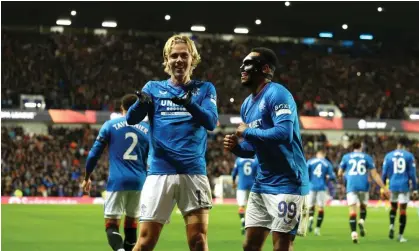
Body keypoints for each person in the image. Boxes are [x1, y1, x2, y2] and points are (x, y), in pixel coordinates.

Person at [126, 34, 218, 251]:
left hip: (193, 173)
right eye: (174, 55)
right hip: (160, 173)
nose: (178, 60)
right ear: (166, 60)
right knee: (146, 241)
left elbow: (211, 122)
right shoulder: (153, 88)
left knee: (198, 241)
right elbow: (131, 119)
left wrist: (190, 104)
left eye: (183, 55)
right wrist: (141, 104)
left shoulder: (205, 89)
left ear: (192, 58)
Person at [224, 47, 309, 251]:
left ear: (265, 69)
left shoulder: (278, 94)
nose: (242, 68)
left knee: (281, 246)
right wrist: (237, 148)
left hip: (289, 181)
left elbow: (284, 134)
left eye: (248, 63)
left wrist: (247, 132)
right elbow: (252, 149)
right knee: (250, 245)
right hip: (262, 183)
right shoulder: (246, 105)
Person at [82, 94, 150, 251]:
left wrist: (87, 177)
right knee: (132, 225)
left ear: (122, 108)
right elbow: (153, 158)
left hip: (117, 181)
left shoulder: (110, 125)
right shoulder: (147, 129)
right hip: (140, 182)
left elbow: (94, 153)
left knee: (111, 225)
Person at [338, 141, 389, 244]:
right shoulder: (367, 157)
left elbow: (339, 173)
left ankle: (354, 234)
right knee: (363, 207)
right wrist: (384, 187)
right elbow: (374, 175)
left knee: (352, 211)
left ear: (352, 147)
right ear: (361, 146)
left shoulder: (346, 157)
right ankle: (361, 221)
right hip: (363, 185)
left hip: (351, 185)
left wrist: (345, 177)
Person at [382, 137, 418, 242]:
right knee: (403, 210)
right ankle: (400, 236)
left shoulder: (388, 156)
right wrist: (415, 189)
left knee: (393, 208)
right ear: (404, 146)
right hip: (404, 186)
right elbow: (412, 174)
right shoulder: (409, 156)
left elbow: (384, 173)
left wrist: (383, 188)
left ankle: (391, 225)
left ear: (397, 145)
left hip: (392, 185)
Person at [306, 149, 336, 236]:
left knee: (311, 206)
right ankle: (317, 229)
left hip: (311, 187)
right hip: (321, 187)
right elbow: (332, 176)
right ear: (324, 154)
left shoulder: (310, 162)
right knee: (321, 208)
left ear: (317, 154)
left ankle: (311, 218)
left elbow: (305, 173)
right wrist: (328, 177)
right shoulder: (327, 163)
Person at [231, 156, 258, 235]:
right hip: (253, 186)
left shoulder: (239, 160)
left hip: (241, 185)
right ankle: (252, 225)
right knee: (253, 206)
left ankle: (243, 222)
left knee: (241, 206)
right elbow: (258, 172)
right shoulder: (255, 160)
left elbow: (234, 173)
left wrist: (233, 182)